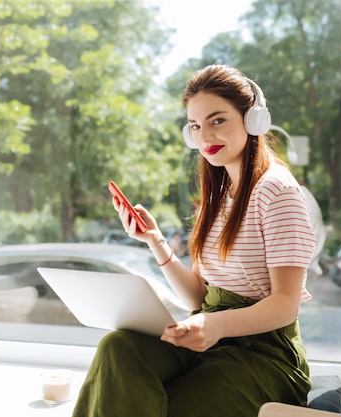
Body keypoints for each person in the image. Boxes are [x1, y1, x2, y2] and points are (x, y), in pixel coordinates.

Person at [72, 64, 317, 417]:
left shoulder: (276, 191)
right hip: (211, 336)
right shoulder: (216, 197)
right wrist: (155, 241)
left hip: (264, 355)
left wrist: (214, 325)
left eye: (218, 121)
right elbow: (199, 297)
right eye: (195, 126)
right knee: (118, 347)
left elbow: (285, 304)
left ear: (253, 121)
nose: (205, 137)